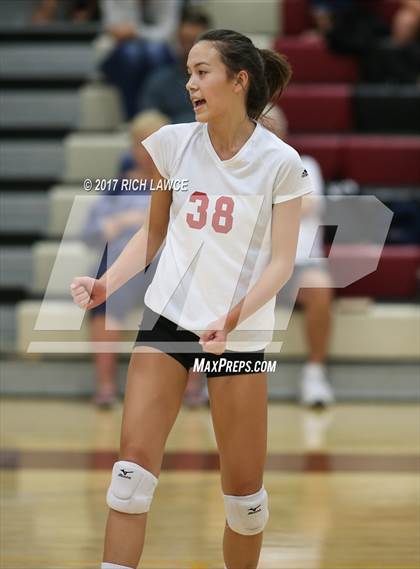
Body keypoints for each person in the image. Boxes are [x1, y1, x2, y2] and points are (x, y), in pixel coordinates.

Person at [71, 29, 312, 569]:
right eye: (188, 73)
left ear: (239, 80)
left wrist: (232, 319)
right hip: (169, 317)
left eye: (202, 72)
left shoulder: (280, 162)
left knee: (245, 502)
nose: (190, 84)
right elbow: (154, 232)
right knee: (129, 478)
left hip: (236, 334)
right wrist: (107, 283)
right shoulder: (173, 143)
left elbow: (281, 263)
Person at [81, 111, 169, 407]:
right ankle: (105, 386)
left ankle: (192, 387)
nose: (147, 152)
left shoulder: (180, 186)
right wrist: (115, 223)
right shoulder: (117, 187)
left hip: (165, 265)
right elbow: (90, 233)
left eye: (154, 144)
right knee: (104, 295)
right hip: (125, 269)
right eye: (141, 144)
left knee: (193, 294)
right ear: (132, 148)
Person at [263, 106, 335, 407]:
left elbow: (306, 205)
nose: (268, 131)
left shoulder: (305, 164)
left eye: (273, 126)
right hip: (254, 266)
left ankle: (314, 375)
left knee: (319, 287)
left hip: (299, 265)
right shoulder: (241, 168)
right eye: (261, 125)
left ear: (285, 130)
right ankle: (212, 374)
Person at [98, 0, 184, 119]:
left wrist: (136, 31)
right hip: (121, 49)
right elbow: (113, 28)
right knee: (132, 53)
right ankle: (133, 117)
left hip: (160, 47)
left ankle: (157, 113)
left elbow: (168, 31)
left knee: (155, 52)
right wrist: (138, 33)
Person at [141, 8, 211, 123]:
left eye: (194, 42)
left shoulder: (220, 80)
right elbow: (148, 119)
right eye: (185, 41)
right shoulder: (159, 80)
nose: (189, 49)